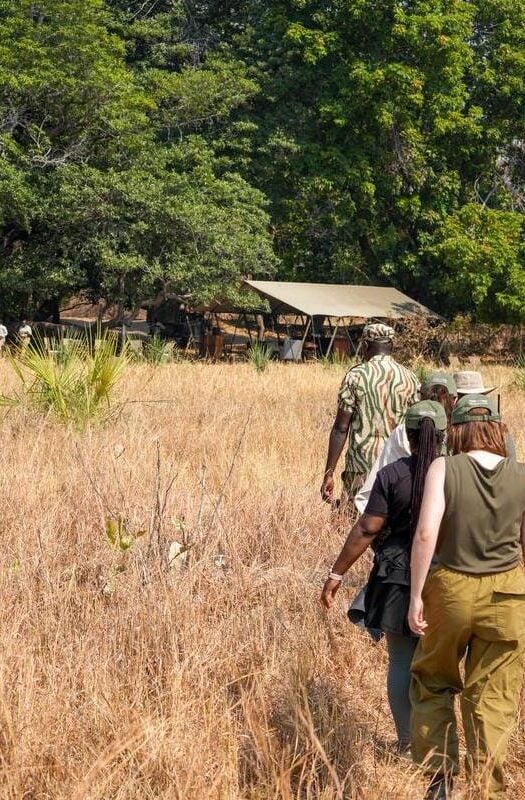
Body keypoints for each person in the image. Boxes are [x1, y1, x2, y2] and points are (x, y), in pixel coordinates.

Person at [409, 394, 525, 800]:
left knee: (434, 681)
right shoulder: (522, 474)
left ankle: (440, 778)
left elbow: (426, 534)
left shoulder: (444, 467)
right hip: (508, 593)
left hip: (452, 588)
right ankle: (487, 790)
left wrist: (415, 596)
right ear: (497, 429)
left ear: (455, 430)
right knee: (493, 696)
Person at [321, 400, 447, 753]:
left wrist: (336, 573)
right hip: (443, 579)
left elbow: (366, 528)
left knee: (402, 661)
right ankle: (436, 742)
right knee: (437, 665)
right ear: (441, 436)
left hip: (395, 579)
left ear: (406, 435)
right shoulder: (454, 476)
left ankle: (407, 743)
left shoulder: (392, 475)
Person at [321, 323, 419, 505]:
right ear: (392, 346)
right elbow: (416, 427)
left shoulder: (355, 376)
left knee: (354, 522)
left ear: (365, 346)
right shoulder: (410, 378)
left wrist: (329, 473)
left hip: (361, 466)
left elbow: (341, 429)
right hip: (399, 464)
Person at [354, 372, 457, 513]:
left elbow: (367, 495)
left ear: (420, 397)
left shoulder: (403, 431)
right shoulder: (460, 432)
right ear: (455, 400)